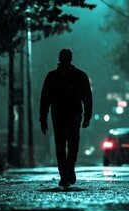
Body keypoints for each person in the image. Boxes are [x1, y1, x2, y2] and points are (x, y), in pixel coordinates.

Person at [39, 48, 93, 188]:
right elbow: (87, 98)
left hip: (59, 115)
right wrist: (87, 115)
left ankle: (64, 173)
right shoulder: (80, 76)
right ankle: (68, 169)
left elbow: (45, 99)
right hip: (73, 114)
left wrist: (43, 118)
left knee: (61, 145)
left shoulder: (52, 77)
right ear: (71, 58)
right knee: (72, 144)